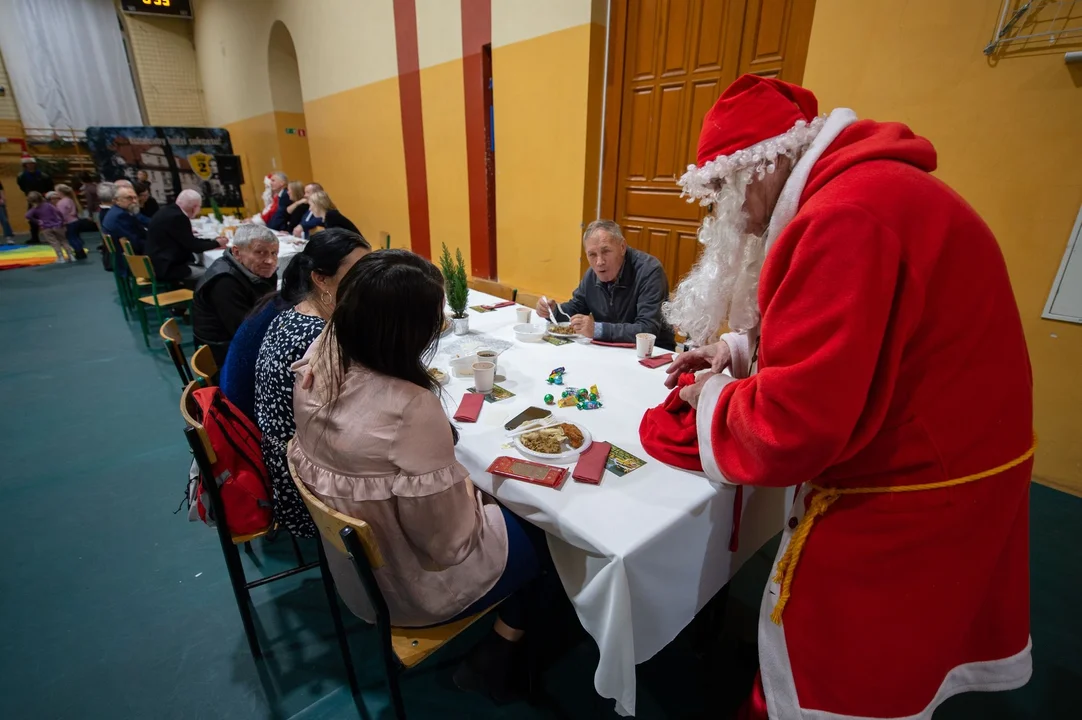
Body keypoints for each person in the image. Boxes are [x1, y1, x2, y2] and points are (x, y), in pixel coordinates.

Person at [637, 75, 1033, 720]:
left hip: (912, 485)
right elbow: (859, 334)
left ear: (759, 167)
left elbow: (792, 428)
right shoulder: (866, 189)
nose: (725, 217)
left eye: (721, 196)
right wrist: (739, 351)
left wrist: (710, 394)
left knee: (846, 654)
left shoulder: (841, 217)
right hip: (961, 449)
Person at [289, 248, 544, 702]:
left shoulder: (319, 356)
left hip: (352, 572)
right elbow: (448, 543)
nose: (438, 327)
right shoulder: (410, 406)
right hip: (410, 587)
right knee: (545, 526)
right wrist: (474, 491)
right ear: (405, 329)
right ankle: (502, 651)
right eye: (433, 318)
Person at [254, 229, 371, 537]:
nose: (368, 279)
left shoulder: (294, 315)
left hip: (289, 458)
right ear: (321, 278)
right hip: (305, 479)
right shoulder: (315, 337)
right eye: (358, 271)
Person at [535, 220, 673, 347]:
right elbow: (575, 308)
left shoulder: (649, 271)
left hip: (653, 356)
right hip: (609, 351)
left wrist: (597, 329)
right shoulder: (592, 274)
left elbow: (647, 330)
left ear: (622, 247)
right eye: (592, 255)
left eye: (606, 251)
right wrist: (551, 311)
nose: (599, 262)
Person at [193, 225, 279, 365]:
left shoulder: (256, 271)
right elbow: (247, 332)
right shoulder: (224, 282)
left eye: (274, 253)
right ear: (237, 252)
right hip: (223, 355)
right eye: (260, 252)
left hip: (237, 343)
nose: (270, 260)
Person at [146, 189, 227, 288]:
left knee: (203, 263)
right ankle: (206, 300)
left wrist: (213, 241)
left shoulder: (167, 211)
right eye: (200, 207)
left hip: (156, 264)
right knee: (215, 272)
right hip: (167, 268)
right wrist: (217, 243)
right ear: (195, 207)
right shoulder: (178, 217)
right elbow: (194, 246)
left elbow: (188, 240)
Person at [24, 192, 73, 263]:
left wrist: (37, 221)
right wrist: (61, 220)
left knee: (54, 242)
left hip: (46, 227)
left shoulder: (34, 209)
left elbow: (27, 216)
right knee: (63, 240)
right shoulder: (48, 205)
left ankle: (61, 257)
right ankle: (71, 255)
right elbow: (58, 212)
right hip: (57, 225)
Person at [102, 185, 149, 255]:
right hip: (127, 259)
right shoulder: (121, 216)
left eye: (135, 197)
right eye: (129, 198)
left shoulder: (116, 211)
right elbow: (135, 243)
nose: (134, 201)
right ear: (117, 200)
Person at [17, 156, 54, 244]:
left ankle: (52, 236)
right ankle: (34, 237)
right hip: (32, 200)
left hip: (43, 199)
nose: (30, 165)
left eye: (32, 163)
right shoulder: (22, 176)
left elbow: (50, 186)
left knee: (47, 217)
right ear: (25, 165)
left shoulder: (43, 175)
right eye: (28, 164)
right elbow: (22, 186)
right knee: (32, 219)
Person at [53, 185, 87, 260]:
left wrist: (61, 223)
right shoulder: (70, 199)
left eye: (56, 191)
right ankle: (81, 252)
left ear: (60, 192)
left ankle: (78, 253)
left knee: (72, 238)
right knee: (76, 237)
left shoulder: (61, 203)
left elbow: (61, 215)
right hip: (75, 221)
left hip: (69, 222)